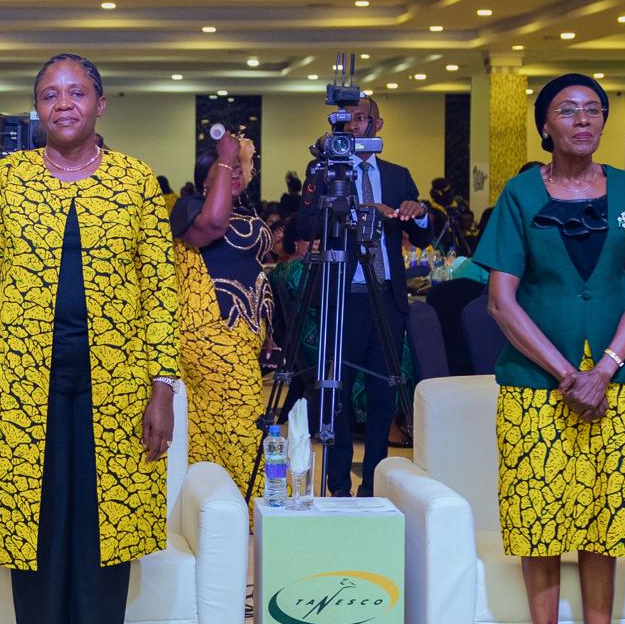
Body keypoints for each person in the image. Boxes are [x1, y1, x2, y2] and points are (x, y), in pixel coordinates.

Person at [0, 54, 178, 624]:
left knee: (103, 530)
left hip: (117, 382)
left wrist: (163, 386)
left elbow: (161, 289)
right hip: (21, 384)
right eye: (49, 94)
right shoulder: (5, 183)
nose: (63, 104)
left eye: (76, 92)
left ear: (100, 104)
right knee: (37, 527)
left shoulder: (136, 182)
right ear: (36, 109)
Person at [478, 74, 625, 624]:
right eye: (568, 111)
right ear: (546, 125)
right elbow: (501, 301)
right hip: (537, 388)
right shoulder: (519, 195)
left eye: (594, 111)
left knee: (603, 525)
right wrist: (569, 373)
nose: (583, 120)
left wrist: (607, 367)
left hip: (621, 387)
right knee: (539, 524)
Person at [294, 96, 437, 497]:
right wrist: (349, 210)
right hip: (343, 294)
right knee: (337, 389)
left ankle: (374, 484)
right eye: (349, 119)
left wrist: (419, 211)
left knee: (383, 392)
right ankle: (337, 484)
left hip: (388, 298)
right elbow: (303, 225)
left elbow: (424, 234)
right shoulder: (324, 170)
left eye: (363, 118)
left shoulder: (397, 174)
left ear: (378, 125)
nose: (355, 125)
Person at [175, 131, 272, 497]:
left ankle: (213, 502)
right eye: (224, 170)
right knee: (244, 419)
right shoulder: (190, 209)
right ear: (205, 180)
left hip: (244, 332)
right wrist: (227, 156)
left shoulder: (245, 210)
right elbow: (213, 226)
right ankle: (253, 502)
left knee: (218, 421)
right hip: (209, 330)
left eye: (237, 170)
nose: (233, 173)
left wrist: (268, 329)